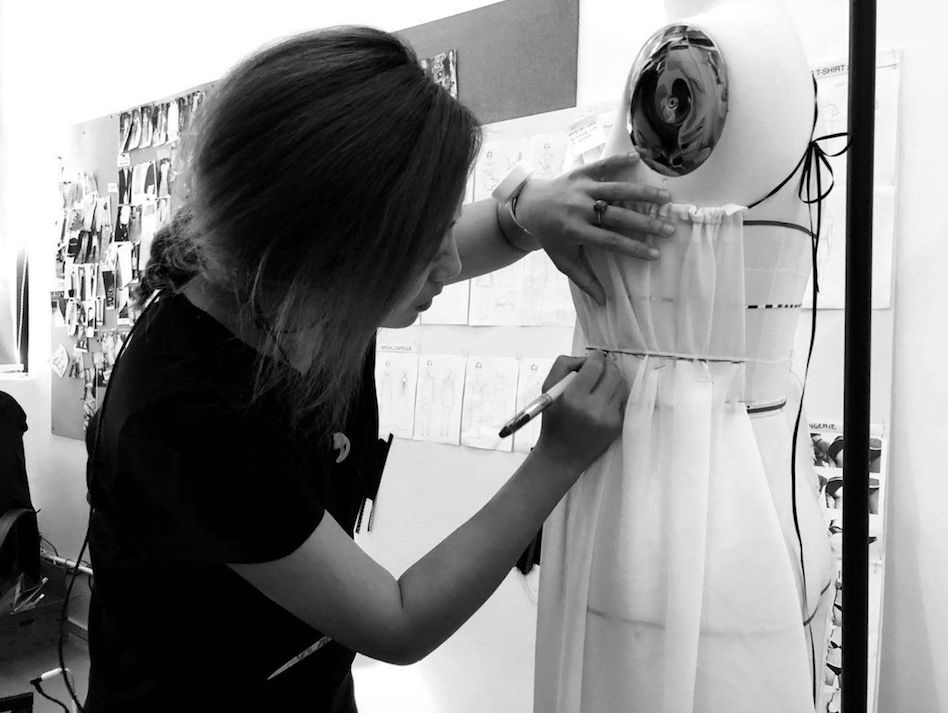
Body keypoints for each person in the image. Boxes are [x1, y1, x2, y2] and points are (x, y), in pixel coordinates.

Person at [84, 26, 673, 712]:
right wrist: (556, 458)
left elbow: (484, 231)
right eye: (424, 245)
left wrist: (527, 213)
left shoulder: (296, 290)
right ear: (329, 249)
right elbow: (397, 621)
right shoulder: (189, 413)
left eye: (442, 227)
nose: (451, 264)